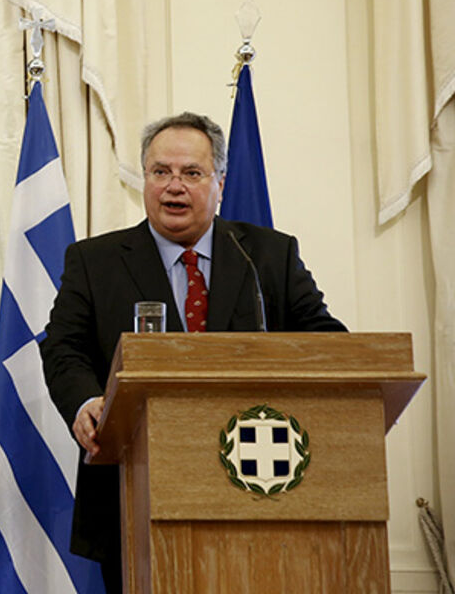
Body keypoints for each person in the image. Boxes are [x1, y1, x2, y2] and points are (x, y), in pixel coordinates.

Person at [40, 112, 345, 592]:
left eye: (191, 173)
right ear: (144, 179)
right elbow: (63, 347)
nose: (173, 187)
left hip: (262, 487)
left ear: (220, 182)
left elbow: (326, 341)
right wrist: (86, 401)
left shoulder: (268, 255)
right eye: (160, 172)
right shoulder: (94, 261)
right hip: (132, 492)